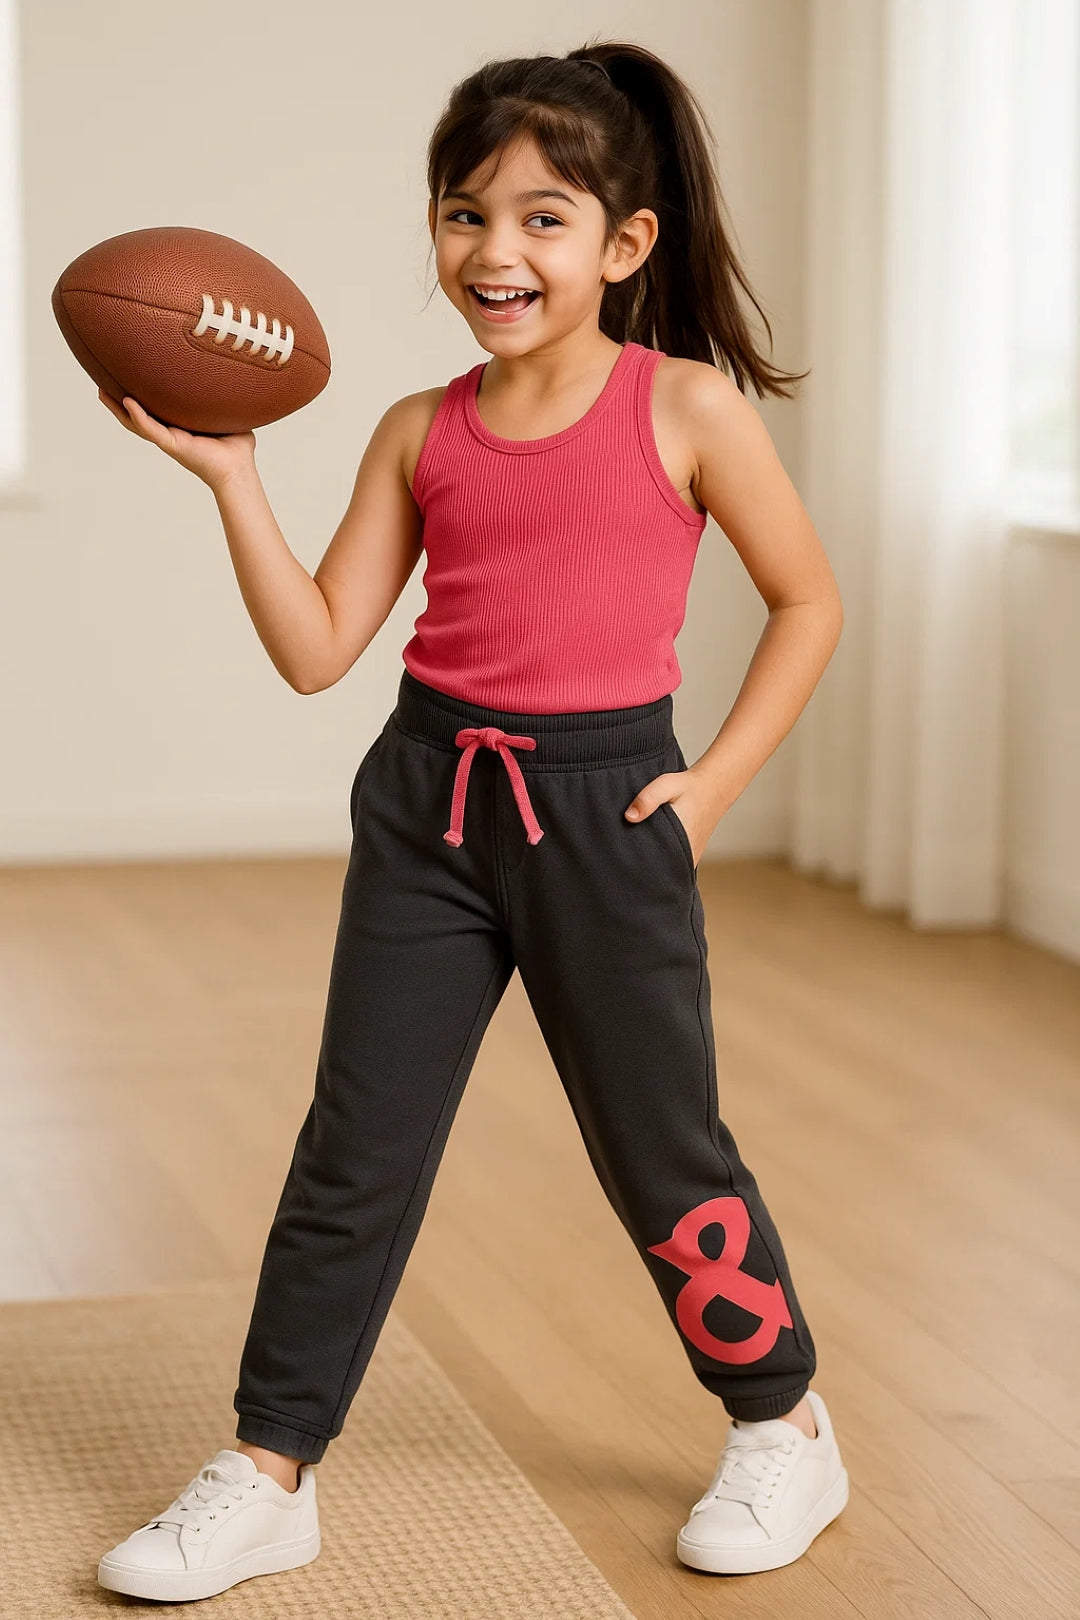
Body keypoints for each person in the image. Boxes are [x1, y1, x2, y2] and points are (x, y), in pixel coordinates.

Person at [96, 39, 848, 1604]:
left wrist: (711, 784)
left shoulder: (687, 408)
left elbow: (807, 601)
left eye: (541, 218)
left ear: (625, 243)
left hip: (605, 814)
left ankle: (783, 1424)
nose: (494, 251)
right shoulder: (414, 428)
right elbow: (319, 650)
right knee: (353, 1149)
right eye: (463, 214)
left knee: (662, 1151)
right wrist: (234, 478)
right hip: (427, 806)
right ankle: (269, 1470)